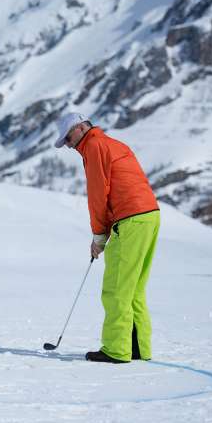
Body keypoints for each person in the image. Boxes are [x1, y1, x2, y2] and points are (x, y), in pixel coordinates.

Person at [55, 112, 160, 363]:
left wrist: (98, 237)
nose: (69, 145)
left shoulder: (93, 146)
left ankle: (116, 349)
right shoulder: (113, 143)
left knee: (115, 288)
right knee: (133, 287)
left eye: (68, 138)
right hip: (149, 216)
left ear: (81, 128)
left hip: (131, 219)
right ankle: (138, 348)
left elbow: (98, 195)